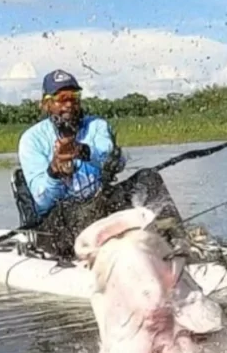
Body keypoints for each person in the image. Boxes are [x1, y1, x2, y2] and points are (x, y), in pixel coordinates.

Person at [18, 69, 189, 259]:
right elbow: (41, 201)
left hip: (99, 204)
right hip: (58, 220)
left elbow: (111, 158)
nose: (69, 105)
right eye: (62, 98)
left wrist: (81, 150)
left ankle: (178, 241)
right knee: (82, 210)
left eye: (74, 97)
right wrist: (55, 172)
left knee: (148, 178)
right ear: (46, 104)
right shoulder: (31, 140)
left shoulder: (97, 126)